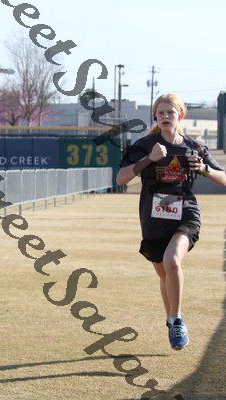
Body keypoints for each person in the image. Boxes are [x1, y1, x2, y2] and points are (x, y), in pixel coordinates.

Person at [117, 93, 226, 351]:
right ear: (155, 116)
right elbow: (121, 178)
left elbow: (224, 178)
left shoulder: (194, 147)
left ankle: (177, 320)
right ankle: (171, 319)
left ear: (181, 116)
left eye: (171, 112)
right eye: (161, 112)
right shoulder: (144, 145)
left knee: (172, 261)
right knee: (164, 273)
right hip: (153, 218)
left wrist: (204, 169)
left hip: (185, 212)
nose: (166, 116)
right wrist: (149, 159)